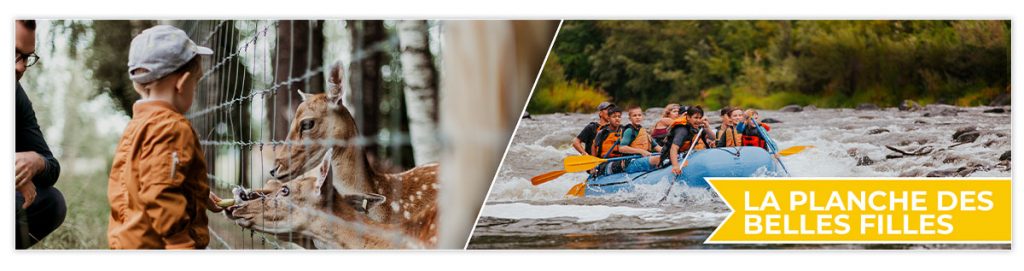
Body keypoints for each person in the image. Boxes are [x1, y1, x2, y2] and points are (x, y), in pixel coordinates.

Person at [107, 25, 223, 249]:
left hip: (131, 240)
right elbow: (161, 192)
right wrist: (180, 244)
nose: (194, 90)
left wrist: (199, 193)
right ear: (182, 83)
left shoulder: (137, 125)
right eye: (195, 83)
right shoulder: (171, 128)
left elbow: (147, 179)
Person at [15, 19, 67, 249]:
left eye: (26, 58)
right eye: (13, 53)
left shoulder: (14, 95)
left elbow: (51, 166)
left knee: (52, 202)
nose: (20, 67)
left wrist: (36, 163)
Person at [661, 106, 716, 175]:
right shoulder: (682, 130)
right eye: (696, 118)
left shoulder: (698, 127)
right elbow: (674, 148)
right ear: (688, 117)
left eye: (700, 118)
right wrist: (675, 166)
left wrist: (707, 127)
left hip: (685, 155)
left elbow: (713, 138)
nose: (698, 120)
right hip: (670, 158)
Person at [618, 106, 662, 173]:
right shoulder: (629, 131)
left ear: (642, 117)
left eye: (639, 115)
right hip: (631, 163)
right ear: (630, 118)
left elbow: (657, 147)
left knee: (665, 157)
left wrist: (671, 151)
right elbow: (622, 148)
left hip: (643, 159)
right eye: (634, 115)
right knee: (658, 158)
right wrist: (641, 151)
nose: (637, 117)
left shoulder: (644, 132)